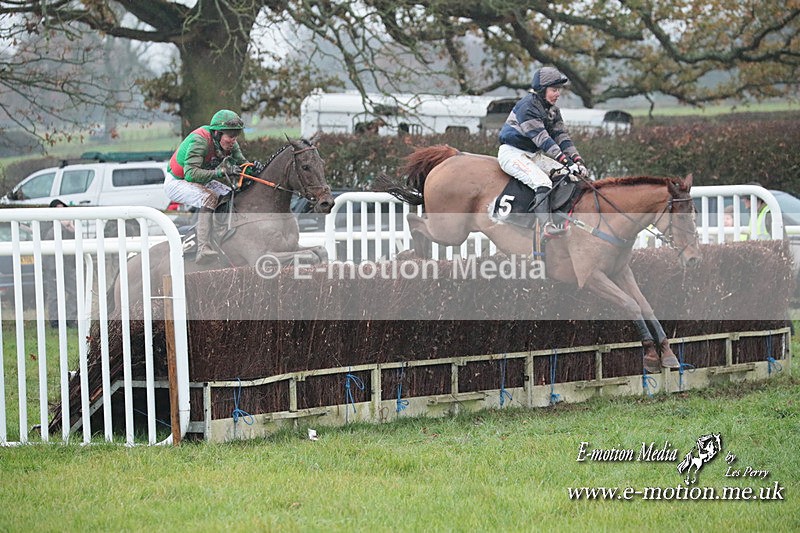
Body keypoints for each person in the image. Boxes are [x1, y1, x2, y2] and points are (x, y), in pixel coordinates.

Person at [497, 66, 589, 235]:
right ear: (541, 90)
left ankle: (561, 220)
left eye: (558, 90)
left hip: (533, 155)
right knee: (543, 182)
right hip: (512, 153)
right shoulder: (527, 107)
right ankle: (546, 227)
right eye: (554, 89)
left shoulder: (553, 111)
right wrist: (566, 161)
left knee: (569, 175)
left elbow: (562, 138)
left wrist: (577, 160)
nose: (558, 94)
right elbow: (544, 140)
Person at [165, 109, 249, 263]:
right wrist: (220, 172)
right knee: (209, 198)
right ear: (217, 134)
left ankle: (221, 234)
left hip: (198, 179)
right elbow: (190, 174)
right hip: (177, 181)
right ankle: (203, 248)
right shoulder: (200, 140)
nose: (233, 140)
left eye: (235, 136)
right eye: (230, 136)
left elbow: (243, 164)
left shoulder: (230, 143)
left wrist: (254, 168)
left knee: (230, 194)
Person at [43, 199, 77, 328]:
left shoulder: (70, 224)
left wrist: (71, 229)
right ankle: (55, 321)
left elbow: (78, 242)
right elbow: (47, 240)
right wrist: (60, 226)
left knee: (74, 292)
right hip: (52, 265)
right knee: (54, 294)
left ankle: (70, 319)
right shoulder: (48, 225)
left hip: (68, 265)